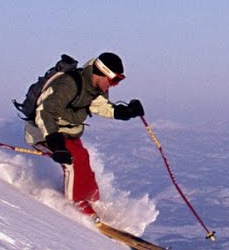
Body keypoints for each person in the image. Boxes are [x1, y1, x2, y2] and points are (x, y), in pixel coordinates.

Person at [23, 52, 145, 217]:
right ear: (102, 73)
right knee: (73, 161)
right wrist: (55, 143)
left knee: (83, 158)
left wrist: (125, 112)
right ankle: (76, 210)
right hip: (44, 133)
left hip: (67, 134)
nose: (114, 85)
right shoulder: (68, 84)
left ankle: (94, 204)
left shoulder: (94, 88)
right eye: (114, 80)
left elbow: (99, 106)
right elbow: (45, 112)